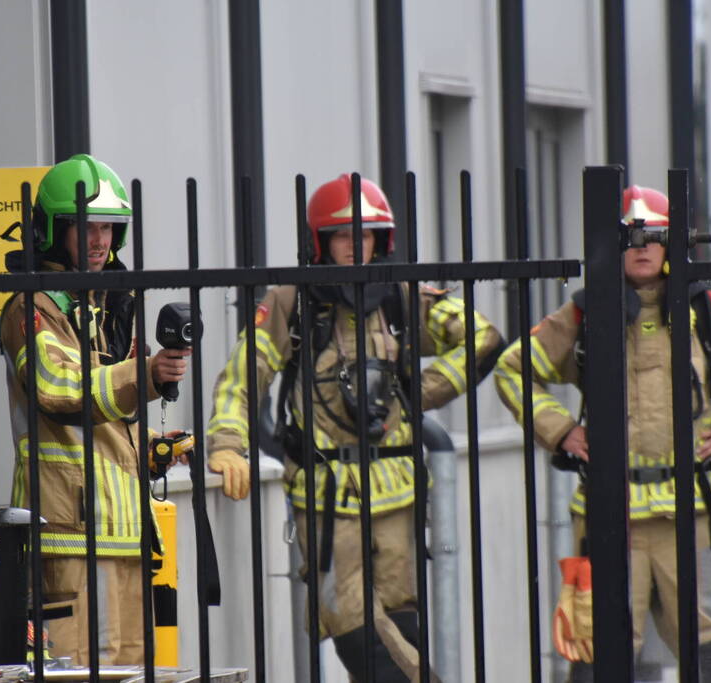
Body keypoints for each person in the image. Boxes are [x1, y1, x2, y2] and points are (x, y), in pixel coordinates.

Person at [205, 174, 504, 682]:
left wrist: (415, 391)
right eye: (344, 235)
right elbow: (239, 380)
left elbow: (483, 338)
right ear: (320, 242)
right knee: (351, 626)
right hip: (326, 499)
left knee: (402, 624)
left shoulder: (402, 297)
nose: (356, 246)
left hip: (398, 494)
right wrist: (228, 445)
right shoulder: (289, 302)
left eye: (366, 235)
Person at [493, 184, 711, 682]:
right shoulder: (583, 315)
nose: (643, 245)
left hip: (691, 516)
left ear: (672, 244)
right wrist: (561, 431)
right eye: (630, 236)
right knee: (597, 653)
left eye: (654, 234)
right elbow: (511, 369)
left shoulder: (705, 311)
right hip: (609, 514)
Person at [0, 153, 192, 665]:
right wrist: (145, 375)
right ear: (51, 232)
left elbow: (104, 422)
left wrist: (149, 447)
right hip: (66, 540)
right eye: (84, 226)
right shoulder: (30, 308)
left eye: (108, 227)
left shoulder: (108, 304)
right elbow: (58, 389)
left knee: (129, 672)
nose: (99, 240)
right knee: (76, 673)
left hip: (124, 539)